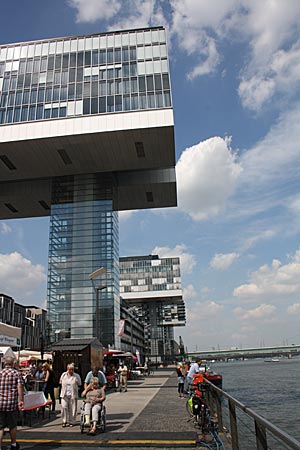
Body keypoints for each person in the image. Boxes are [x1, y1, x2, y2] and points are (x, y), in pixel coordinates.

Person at [0, 355, 24, 450]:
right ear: (13, 363)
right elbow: (20, 387)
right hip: (11, 403)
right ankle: (13, 444)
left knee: (0, 427)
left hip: (0, 403)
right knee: (12, 425)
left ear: (4, 363)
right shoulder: (16, 373)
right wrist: (21, 400)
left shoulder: (0, 373)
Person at [59, 363, 81, 427]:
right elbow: (60, 382)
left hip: (73, 394)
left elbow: (79, 384)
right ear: (67, 369)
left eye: (72, 369)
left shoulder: (76, 376)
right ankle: (64, 421)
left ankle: (72, 421)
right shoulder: (63, 375)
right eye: (70, 369)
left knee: (73, 408)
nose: (71, 371)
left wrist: (76, 389)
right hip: (64, 394)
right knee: (64, 407)